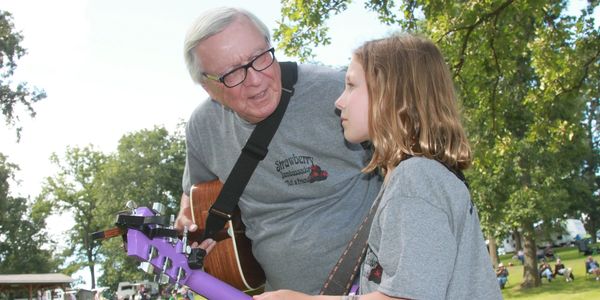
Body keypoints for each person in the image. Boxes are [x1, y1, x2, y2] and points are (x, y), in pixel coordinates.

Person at [254, 33, 502, 299]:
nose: (339, 102)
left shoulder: (416, 178)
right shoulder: (419, 175)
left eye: (350, 85)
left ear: (391, 93)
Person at [175, 6, 381, 294]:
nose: (256, 79)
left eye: (259, 57)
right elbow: (196, 191)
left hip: (374, 289)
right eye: (233, 73)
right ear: (209, 89)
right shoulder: (203, 128)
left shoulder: (338, 94)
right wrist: (186, 214)